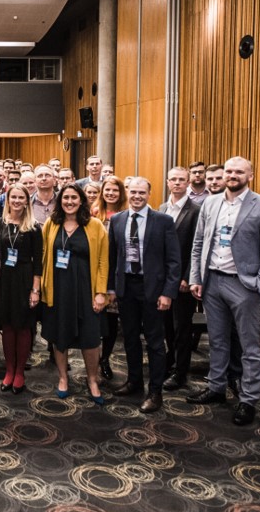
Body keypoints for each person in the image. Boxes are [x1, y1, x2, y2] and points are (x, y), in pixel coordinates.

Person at [186, 157, 260, 426]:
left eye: (239, 172)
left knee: (249, 346)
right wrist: (197, 277)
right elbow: (199, 243)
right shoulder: (210, 202)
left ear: (249, 176)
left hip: (244, 285)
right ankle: (216, 387)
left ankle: (249, 398)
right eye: (228, 171)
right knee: (216, 340)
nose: (232, 175)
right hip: (212, 282)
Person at [106, 177, 181, 413]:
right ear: (127, 193)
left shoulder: (163, 221)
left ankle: (155, 391)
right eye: (133, 192)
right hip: (126, 287)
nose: (137, 196)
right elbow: (112, 257)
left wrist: (168, 293)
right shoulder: (117, 220)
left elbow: (173, 260)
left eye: (142, 192)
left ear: (149, 194)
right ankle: (134, 382)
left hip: (153, 289)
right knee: (129, 338)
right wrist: (111, 288)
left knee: (155, 342)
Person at [40, 184, 108, 404]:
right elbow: (43, 255)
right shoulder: (52, 224)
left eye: (74, 198)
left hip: (86, 289)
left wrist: (101, 293)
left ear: (81, 201)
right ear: (60, 201)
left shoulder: (95, 225)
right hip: (58, 288)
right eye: (65, 198)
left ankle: (92, 380)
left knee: (90, 338)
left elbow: (103, 261)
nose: (69, 201)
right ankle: (63, 378)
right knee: (60, 336)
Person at [0, 183, 42, 394]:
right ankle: (10, 370)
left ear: (26, 201)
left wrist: (35, 289)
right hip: (3, 279)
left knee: (23, 326)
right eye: (13, 197)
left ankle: (20, 372)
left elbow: (38, 260)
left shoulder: (33, 226)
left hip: (24, 278)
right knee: (7, 325)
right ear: (7, 200)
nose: (16, 201)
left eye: (21, 197)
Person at [161, 166, 201, 391]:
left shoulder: (195, 210)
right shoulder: (162, 208)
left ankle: (181, 372)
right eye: (173, 179)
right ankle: (170, 362)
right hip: (163, 278)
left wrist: (189, 276)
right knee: (166, 325)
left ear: (188, 183)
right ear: (167, 182)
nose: (177, 183)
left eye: (181, 180)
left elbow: (196, 247)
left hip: (183, 280)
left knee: (181, 328)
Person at [97, 175, 128, 380]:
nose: (110, 193)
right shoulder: (93, 213)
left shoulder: (127, 214)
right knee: (94, 319)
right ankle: (91, 358)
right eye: (107, 190)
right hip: (95, 273)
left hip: (117, 273)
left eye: (115, 190)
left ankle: (105, 358)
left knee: (110, 321)